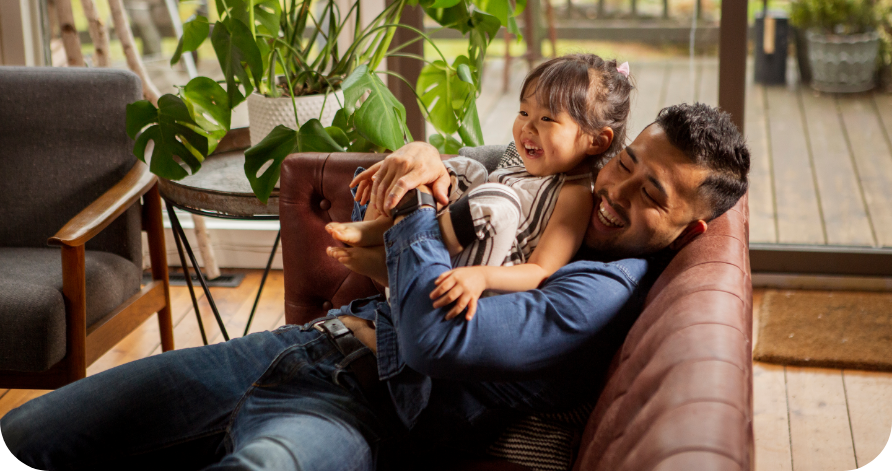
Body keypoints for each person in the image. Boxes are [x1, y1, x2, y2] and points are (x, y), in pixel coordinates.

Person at [0, 103, 750, 471]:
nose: (619, 192)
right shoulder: (557, 186)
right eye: (627, 164)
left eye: (654, 195)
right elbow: (453, 164)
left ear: (691, 230)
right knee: (30, 435)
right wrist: (423, 157)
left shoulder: (598, 291)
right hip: (295, 348)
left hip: (364, 412)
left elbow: (433, 336)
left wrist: (419, 208)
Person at [326, 54, 633, 320]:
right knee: (467, 169)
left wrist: (481, 278)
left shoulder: (575, 196)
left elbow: (540, 270)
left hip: (476, 273)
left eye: (547, 119)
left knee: (500, 200)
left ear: (595, 140)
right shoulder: (517, 161)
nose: (527, 127)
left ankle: (395, 256)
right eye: (524, 112)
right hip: (447, 251)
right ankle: (385, 232)